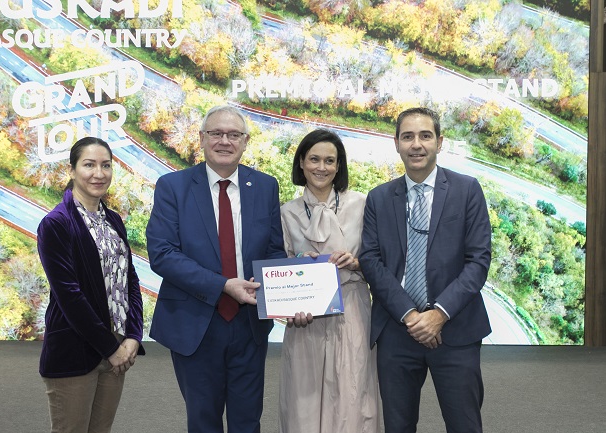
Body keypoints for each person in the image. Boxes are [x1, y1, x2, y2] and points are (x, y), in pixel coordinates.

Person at [146, 105, 286, 433]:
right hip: (195, 325)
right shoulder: (173, 187)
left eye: (233, 134)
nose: (225, 141)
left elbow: (274, 250)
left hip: (249, 325)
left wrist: (294, 283)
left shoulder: (265, 187)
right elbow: (162, 254)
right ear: (202, 139)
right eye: (216, 133)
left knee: (247, 421)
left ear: (245, 141)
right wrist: (223, 285)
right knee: (203, 421)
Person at [359, 107, 492, 433]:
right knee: (398, 426)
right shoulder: (378, 198)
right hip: (397, 332)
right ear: (397, 143)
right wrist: (409, 315)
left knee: (465, 424)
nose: (416, 144)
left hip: (455, 330)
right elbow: (371, 261)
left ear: (439, 141)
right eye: (408, 137)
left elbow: (478, 261)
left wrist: (438, 314)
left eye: (425, 136)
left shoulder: (466, 190)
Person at [37, 136, 145, 433]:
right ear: (72, 170)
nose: (99, 173)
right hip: (76, 350)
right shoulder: (56, 224)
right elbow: (70, 297)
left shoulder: (113, 221)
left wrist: (133, 336)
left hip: (117, 348)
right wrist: (111, 348)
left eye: (106, 165)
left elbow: (129, 280)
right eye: (89, 165)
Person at [278, 129, 380, 433]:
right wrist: (297, 266)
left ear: (339, 166)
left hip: (352, 309)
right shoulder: (287, 212)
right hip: (305, 318)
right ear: (301, 162)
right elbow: (279, 266)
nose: (321, 167)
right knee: (303, 399)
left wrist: (358, 262)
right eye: (314, 159)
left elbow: (380, 260)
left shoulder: (362, 205)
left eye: (329, 161)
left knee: (352, 395)